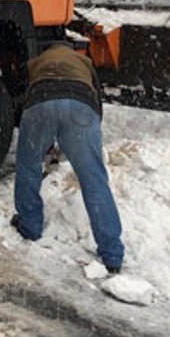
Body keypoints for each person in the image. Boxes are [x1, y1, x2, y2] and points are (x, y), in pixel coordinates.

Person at [13, 39, 125, 274]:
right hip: (81, 106)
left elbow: (23, 96)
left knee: (28, 167)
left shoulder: (37, 62)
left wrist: (40, 140)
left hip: (40, 103)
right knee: (93, 180)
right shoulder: (84, 62)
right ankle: (112, 253)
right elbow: (97, 100)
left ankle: (30, 227)